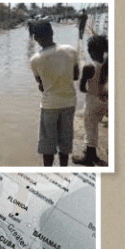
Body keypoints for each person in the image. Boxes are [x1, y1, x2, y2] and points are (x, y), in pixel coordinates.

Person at [29, 21, 79, 166]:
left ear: (36, 39)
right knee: (65, 143)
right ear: (52, 32)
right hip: (69, 102)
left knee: (47, 146)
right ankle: (64, 171)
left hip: (49, 105)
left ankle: (48, 175)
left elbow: (42, 86)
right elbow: (75, 77)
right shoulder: (70, 50)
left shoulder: (35, 60)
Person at [73, 35, 109, 166]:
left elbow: (82, 88)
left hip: (93, 101)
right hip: (107, 101)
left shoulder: (89, 67)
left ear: (91, 51)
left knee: (90, 129)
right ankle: (92, 153)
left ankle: (89, 157)